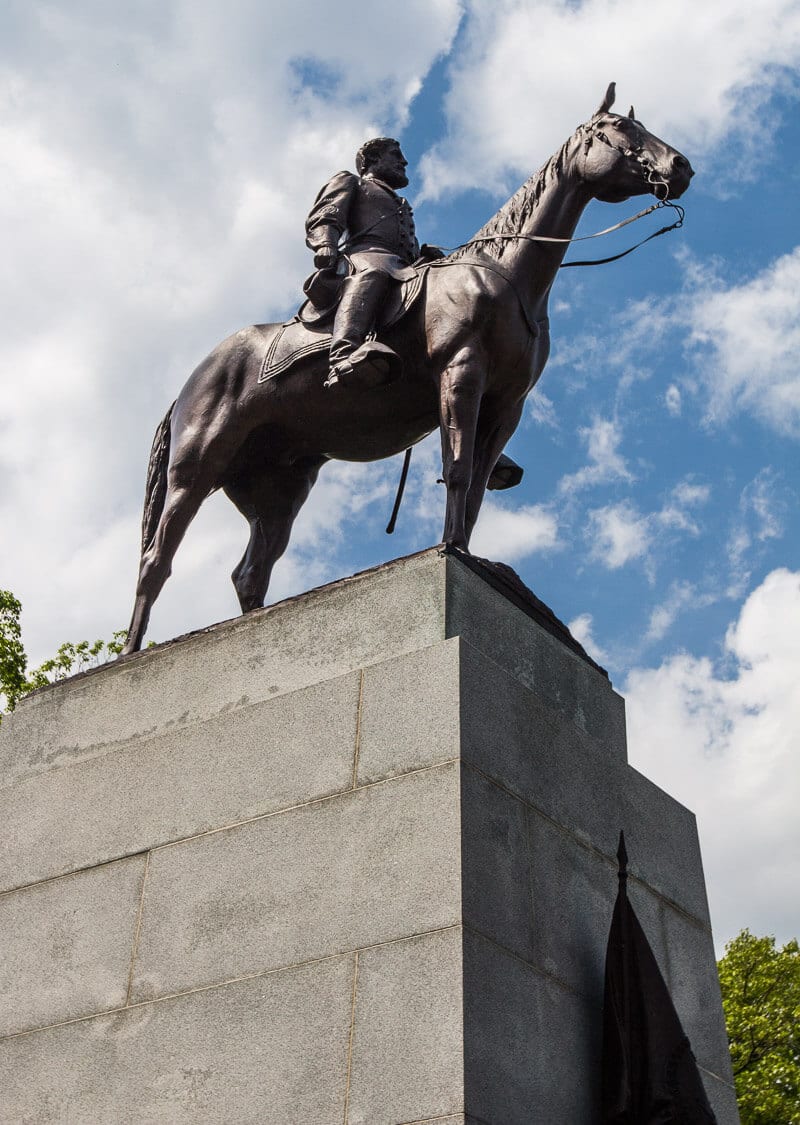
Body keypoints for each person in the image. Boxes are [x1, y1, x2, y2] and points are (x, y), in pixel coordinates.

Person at [305, 136, 441, 388]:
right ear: (373, 159)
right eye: (395, 155)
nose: (404, 161)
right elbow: (327, 213)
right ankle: (342, 356)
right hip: (364, 258)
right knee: (373, 273)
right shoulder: (351, 181)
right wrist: (325, 243)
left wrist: (423, 257)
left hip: (400, 265)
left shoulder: (401, 203)